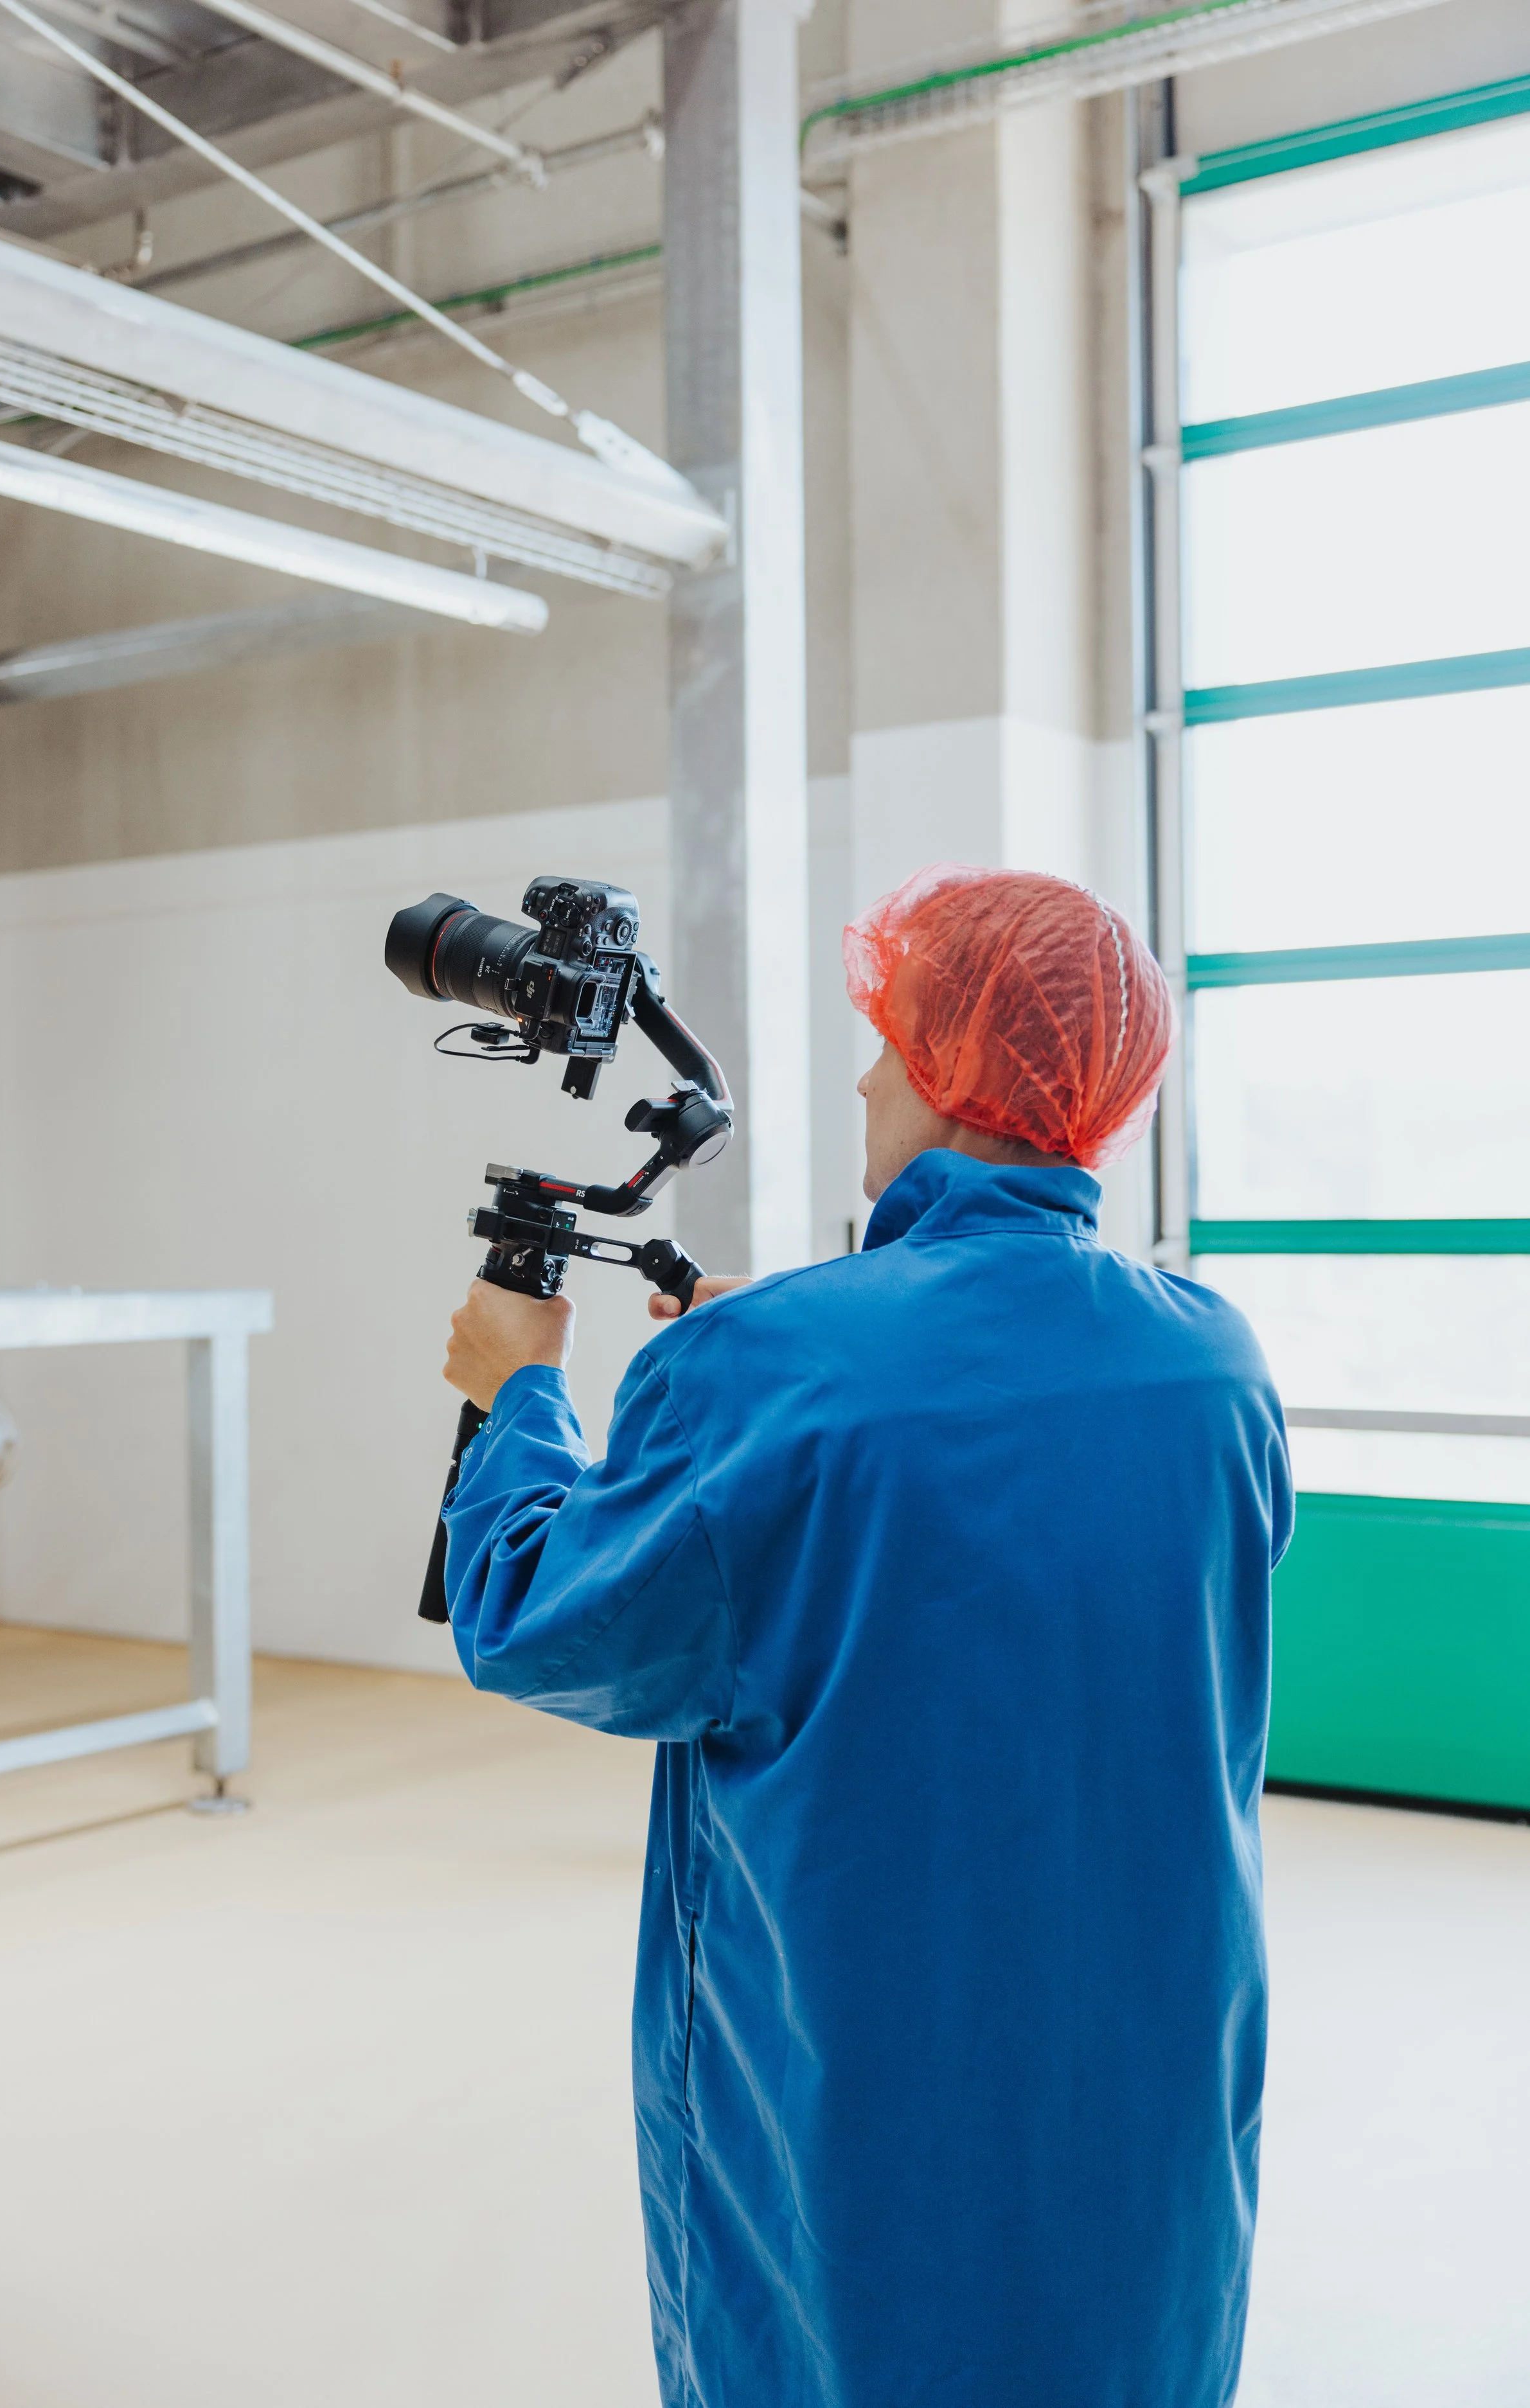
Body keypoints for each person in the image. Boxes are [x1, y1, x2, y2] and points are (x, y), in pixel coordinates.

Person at [439, 862, 1293, 2408]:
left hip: (869, 2059)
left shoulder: (778, 1366)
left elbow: (537, 1618)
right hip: (1154, 2048)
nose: (861, 1073)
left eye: (888, 1038)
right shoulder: (1214, 1358)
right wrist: (780, 1354)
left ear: (950, 1073)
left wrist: (520, 1395)